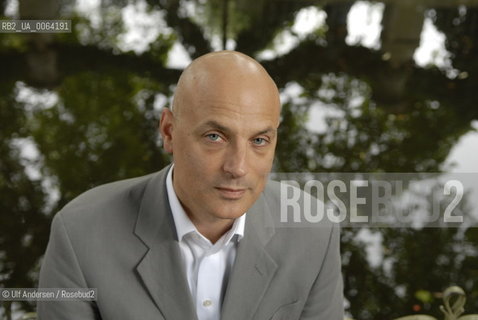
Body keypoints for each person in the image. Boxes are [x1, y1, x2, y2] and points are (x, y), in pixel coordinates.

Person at [37, 51, 344, 320]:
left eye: (259, 140)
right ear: (169, 131)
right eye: (215, 137)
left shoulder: (314, 231)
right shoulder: (79, 234)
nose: (238, 167)